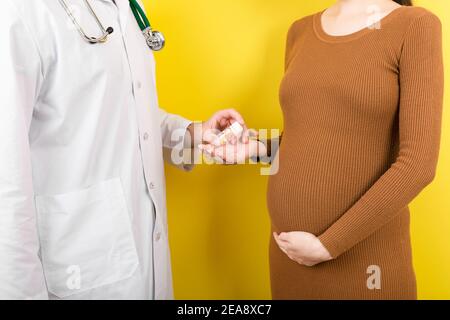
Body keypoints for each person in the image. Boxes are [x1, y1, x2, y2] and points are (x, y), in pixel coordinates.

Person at [0, 0, 247, 300]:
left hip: (143, 259)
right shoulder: (21, 11)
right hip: (78, 271)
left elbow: (122, 109)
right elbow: (7, 177)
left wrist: (192, 133)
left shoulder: (128, 7)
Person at [204, 0, 444, 299]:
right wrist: (255, 149)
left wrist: (329, 245)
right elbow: (314, 137)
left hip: (363, 264)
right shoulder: (299, 31)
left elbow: (417, 165)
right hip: (288, 258)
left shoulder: (415, 25)